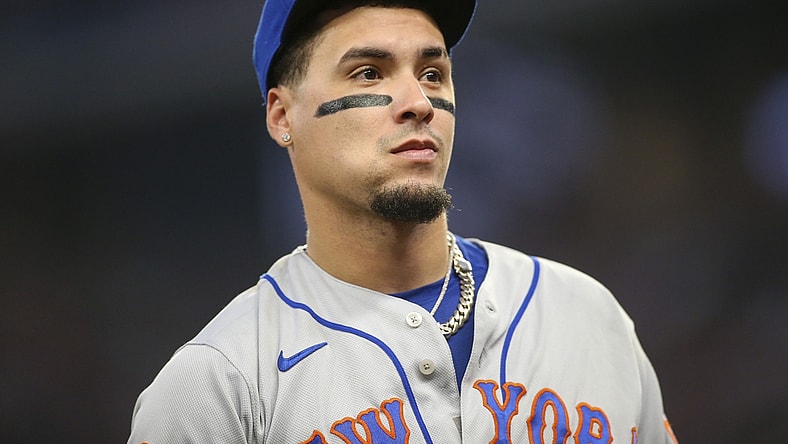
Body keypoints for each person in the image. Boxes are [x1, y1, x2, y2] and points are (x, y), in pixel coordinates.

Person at [128, 0, 679, 442]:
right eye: (369, 72)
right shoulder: (219, 384)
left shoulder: (586, 314)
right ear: (282, 116)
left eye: (433, 72)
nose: (418, 101)